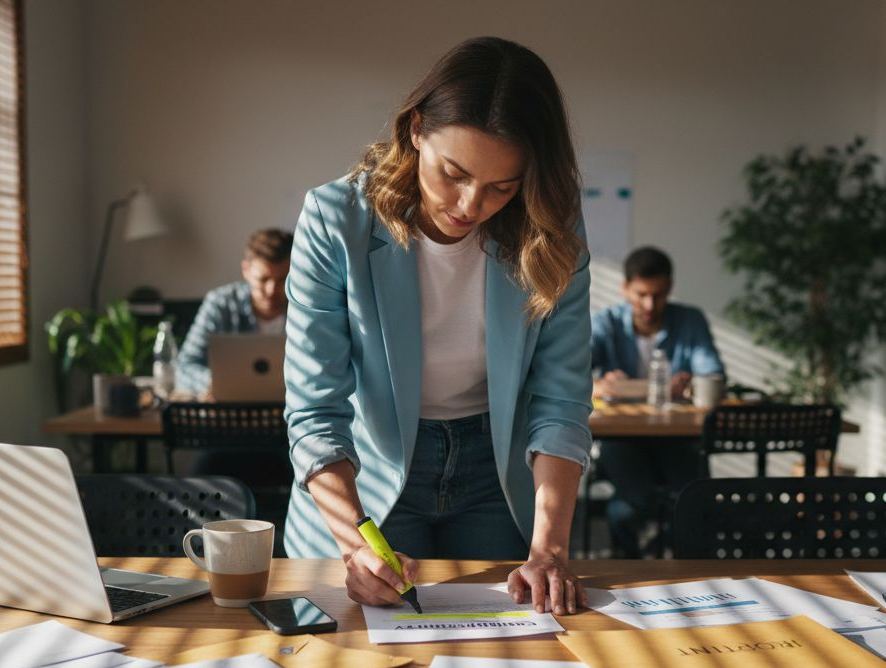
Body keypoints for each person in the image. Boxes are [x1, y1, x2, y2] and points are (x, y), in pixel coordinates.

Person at [283, 37, 592, 616]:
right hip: (366, 480)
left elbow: (561, 401)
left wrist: (548, 549)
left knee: (510, 658)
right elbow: (315, 410)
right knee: (360, 667)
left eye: (504, 186)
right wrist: (356, 546)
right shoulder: (335, 220)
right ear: (416, 129)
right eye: (454, 173)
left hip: (497, 475)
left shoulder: (551, 226)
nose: (471, 204)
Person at [589, 246, 724, 557]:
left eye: (659, 295)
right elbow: (573, 373)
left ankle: (687, 568)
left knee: (692, 499)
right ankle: (630, 562)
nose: (650, 304)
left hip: (675, 437)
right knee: (634, 500)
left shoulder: (689, 320)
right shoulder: (606, 322)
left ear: (670, 289)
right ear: (625, 289)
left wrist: (690, 383)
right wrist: (597, 385)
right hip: (621, 439)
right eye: (641, 295)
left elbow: (712, 373)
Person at [176, 228, 294, 395]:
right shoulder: (221, 303)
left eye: (283, 280)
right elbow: (184, 366)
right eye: (263, 279)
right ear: (246, 270)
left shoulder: (308, 309)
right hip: (231, 414)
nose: (271, 290)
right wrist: (216, 383)